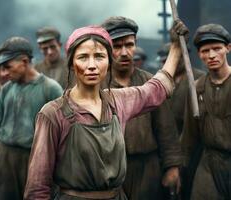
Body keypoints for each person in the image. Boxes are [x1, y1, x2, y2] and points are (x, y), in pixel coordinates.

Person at [24, 19, 188, 200]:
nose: (92, 65)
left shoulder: (117, 102)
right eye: (83, 57)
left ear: (109, 62)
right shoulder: (53, 114)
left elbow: (157, 89)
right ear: (71, 64)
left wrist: (175, 48)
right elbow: (37, 187)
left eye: (99, 56)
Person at [101, 16, 182, 200]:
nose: (124, 52)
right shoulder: (97, 84)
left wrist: (172, 167)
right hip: (109, 170)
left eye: (129, 45)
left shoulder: (150, 83)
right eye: (117, 46)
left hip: (147, 167)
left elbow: (166, 129)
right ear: (107, 48)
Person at [0, 37, 63, 200]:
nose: (4, 73)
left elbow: (62, 133)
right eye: (1, 68)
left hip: (34, 160)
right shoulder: (7, 89)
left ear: (24, 61)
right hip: (5, 158)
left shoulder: (51, 89)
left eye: (8, 67)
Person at [181, 24, 231, 200]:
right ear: (200, 54)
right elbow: (189, 135)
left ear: (228, 48)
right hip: (209, 163)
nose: (211, 55)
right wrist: (180, 169)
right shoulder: (196, 89)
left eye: (217, 48)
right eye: (205, 51)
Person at [157, 43, 204, 134]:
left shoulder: (199, 78)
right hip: (167, 134)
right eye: (164, 62)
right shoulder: (161, 80)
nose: (167, 64)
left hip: (191, 132)